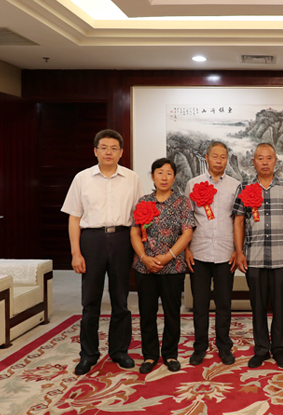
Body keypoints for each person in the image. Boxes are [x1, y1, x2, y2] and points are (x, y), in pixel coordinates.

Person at [61, 129, 144, 376]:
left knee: (121, 299)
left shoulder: (132, 178)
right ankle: (88, 354)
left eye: (114, 148)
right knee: (90, 301)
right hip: (92, 240)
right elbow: (74, 218)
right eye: (104, 148)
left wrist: (139, 249)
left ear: (121, 152)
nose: (109, 152)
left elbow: (140, 216)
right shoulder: (82, 178)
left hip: (122, 239)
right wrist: (75, 253)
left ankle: (119, 351)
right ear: (95, 151)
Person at [232, 143, 283, 369]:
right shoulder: (245, 187)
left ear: (275, 161)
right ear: (253, 162)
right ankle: (261, 349)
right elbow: (238, 221)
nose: (264, 162)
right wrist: (239, 252)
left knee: (281, 306)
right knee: (258, 306)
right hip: (254, 256)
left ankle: (279, 349)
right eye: (260, 158)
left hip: (281, 256)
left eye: (269, 158)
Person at [131, 158, 195, 374]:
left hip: (173, 267)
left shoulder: (182, 202)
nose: (164, 177)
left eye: (169, 173)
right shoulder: (144, 201)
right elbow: (134, 232)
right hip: (145, 267)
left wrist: (168, 257)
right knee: (147, 312)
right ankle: (150, 355)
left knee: (172, 313)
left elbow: (187, 233)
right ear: (152, 176)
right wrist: (144, 258)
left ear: (174, 177)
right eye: (160, 172)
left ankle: (170, 354)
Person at [185, 141, 240, 366]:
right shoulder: (193, 184)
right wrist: (186, 249)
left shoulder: (235, 185)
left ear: (227, 159)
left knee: (224, 303)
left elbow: (238, 221)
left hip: (226, 253)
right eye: (215, 156)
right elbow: (187, 219)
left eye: (223, 157)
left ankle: (224, 345)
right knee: (200, 304)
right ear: (206, 158)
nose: (219, 161)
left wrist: (237, 250)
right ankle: (200, 347)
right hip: (198, 252)